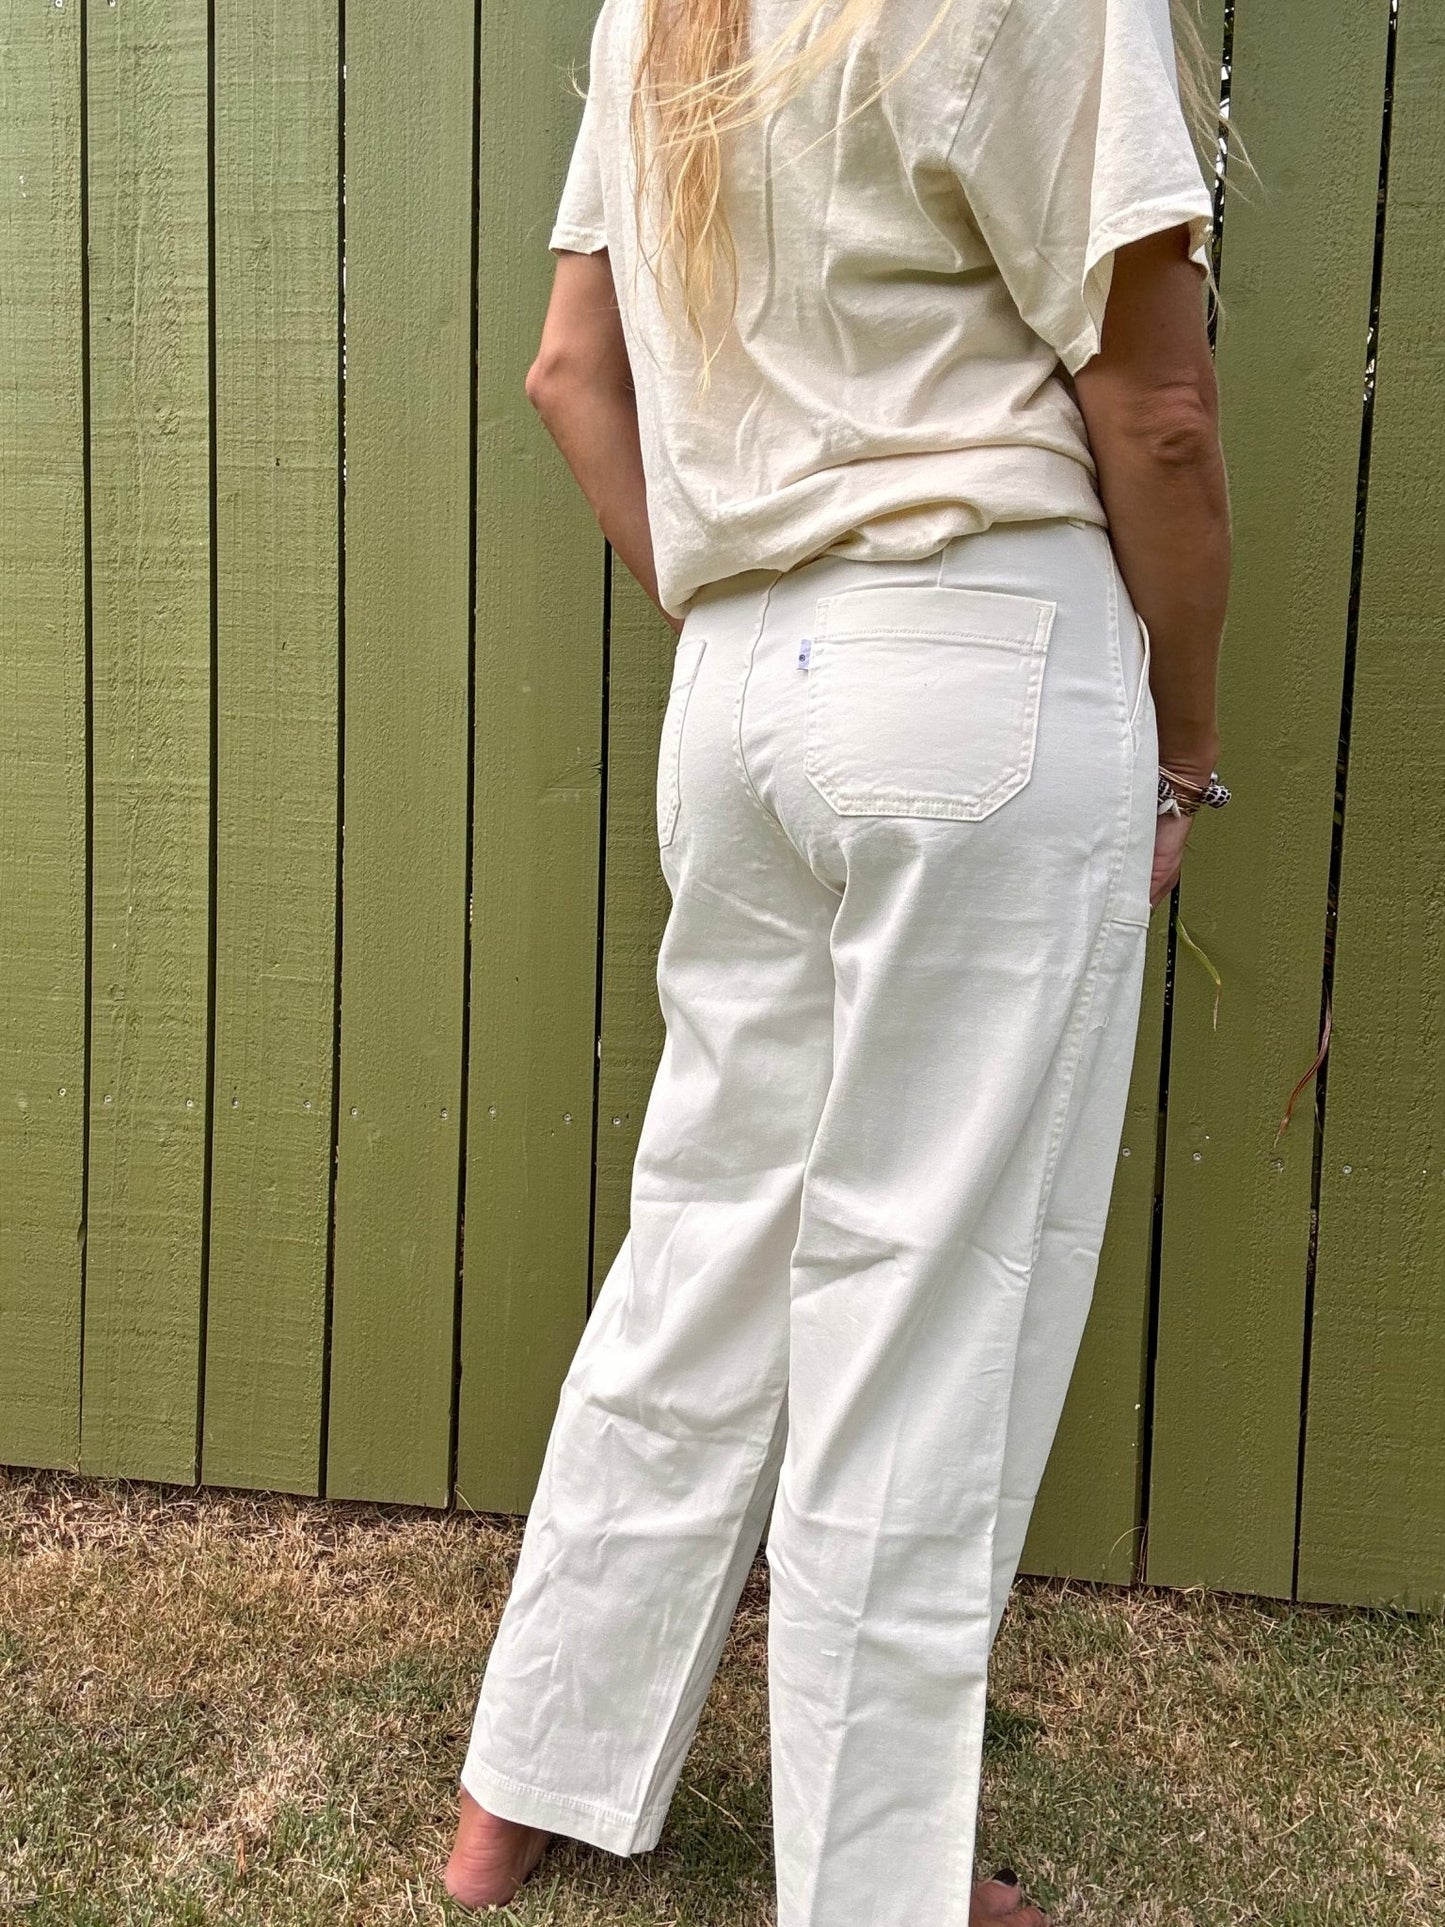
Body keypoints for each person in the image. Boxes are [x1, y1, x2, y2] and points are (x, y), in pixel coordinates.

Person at [445, 0, 1231, 1918]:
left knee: (705, 1243)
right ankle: (875, 1887)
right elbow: (1157, 413)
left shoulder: (658, 13)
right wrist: (1186, 750)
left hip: (737, 684)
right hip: (976, 646)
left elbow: (570, 372)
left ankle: (520, 1790)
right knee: (924, 1292)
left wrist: (759, 625)